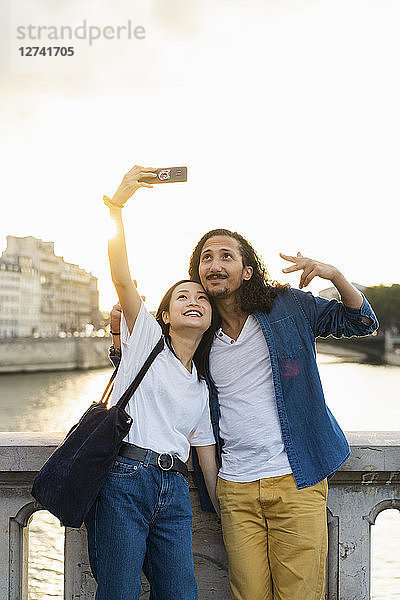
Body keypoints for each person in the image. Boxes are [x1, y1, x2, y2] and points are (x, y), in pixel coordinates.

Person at [186, 229, 379, 600]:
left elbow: (362, 322)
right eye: (206, 258)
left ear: (247, 270)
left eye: (226, 256)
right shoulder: (201, 333)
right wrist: (119, 334)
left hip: (296, 479)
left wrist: (334, 275)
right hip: (236, 487)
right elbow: (161, 371)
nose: (215, 264)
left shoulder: (288, 306)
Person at [84, 165, 220, 600]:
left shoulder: (201, 385)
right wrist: (117, 206)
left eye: (202, 297)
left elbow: (207, 458)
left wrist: (222, 515)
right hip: (126, 479)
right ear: (164, 315)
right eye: (183, 296)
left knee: (181, 593)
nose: (195, 300)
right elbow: (121, 275)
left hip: (175, 490)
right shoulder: (144, 339)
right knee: (120, 592)